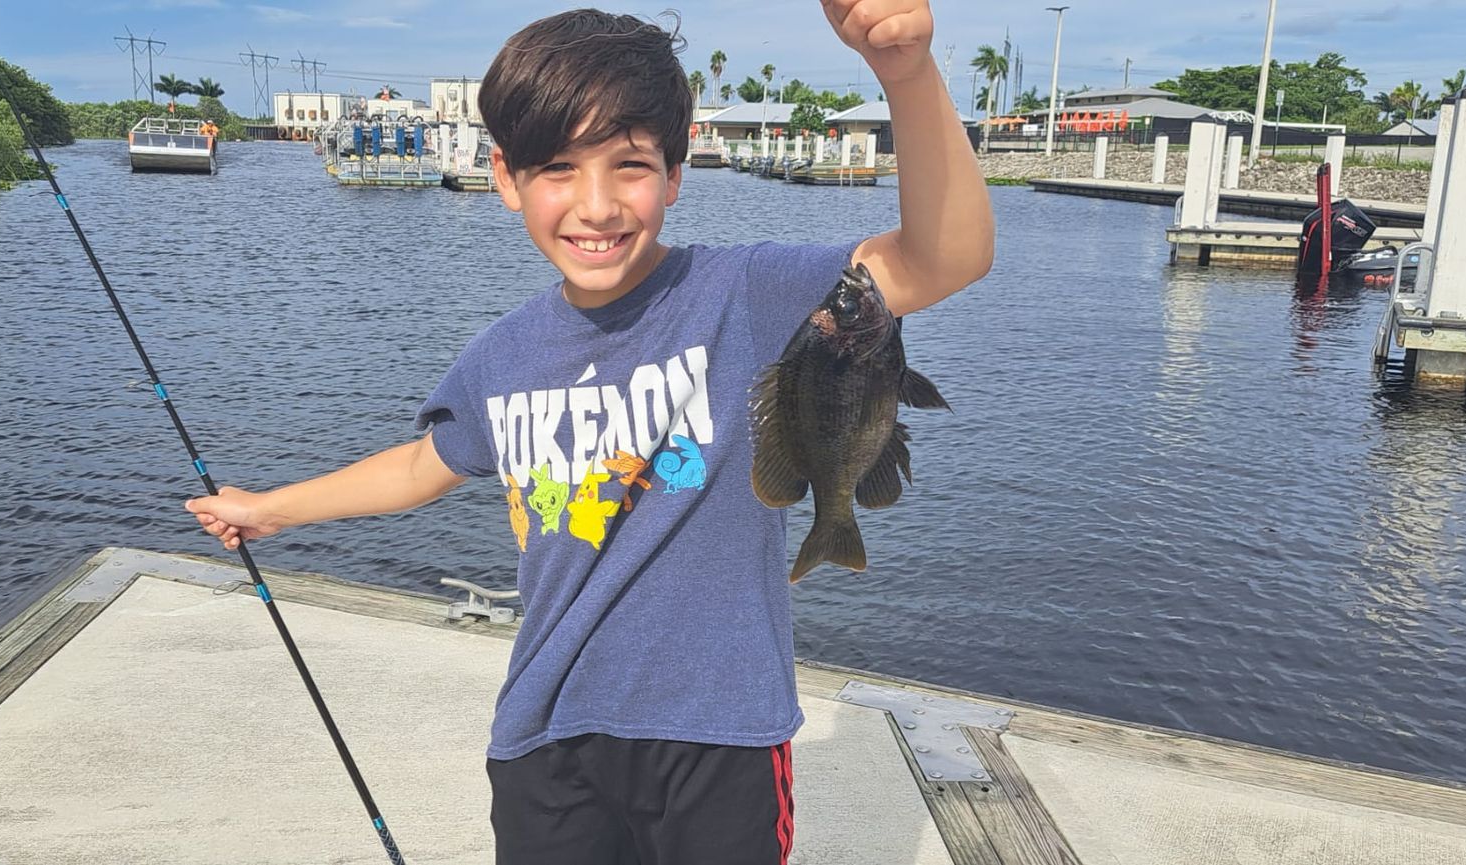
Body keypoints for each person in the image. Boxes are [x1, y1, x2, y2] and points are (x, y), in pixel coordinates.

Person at [184, 3, 992, 862]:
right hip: (548, 731)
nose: (597, 205)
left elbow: (945, 258)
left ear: (676, 173)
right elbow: (425, 463)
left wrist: (906, 73)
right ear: (505, 177)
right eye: (558, 168)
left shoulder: (745, 295)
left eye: (631, 165)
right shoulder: (501, 355)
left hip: (719, 731)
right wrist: (274, 508)